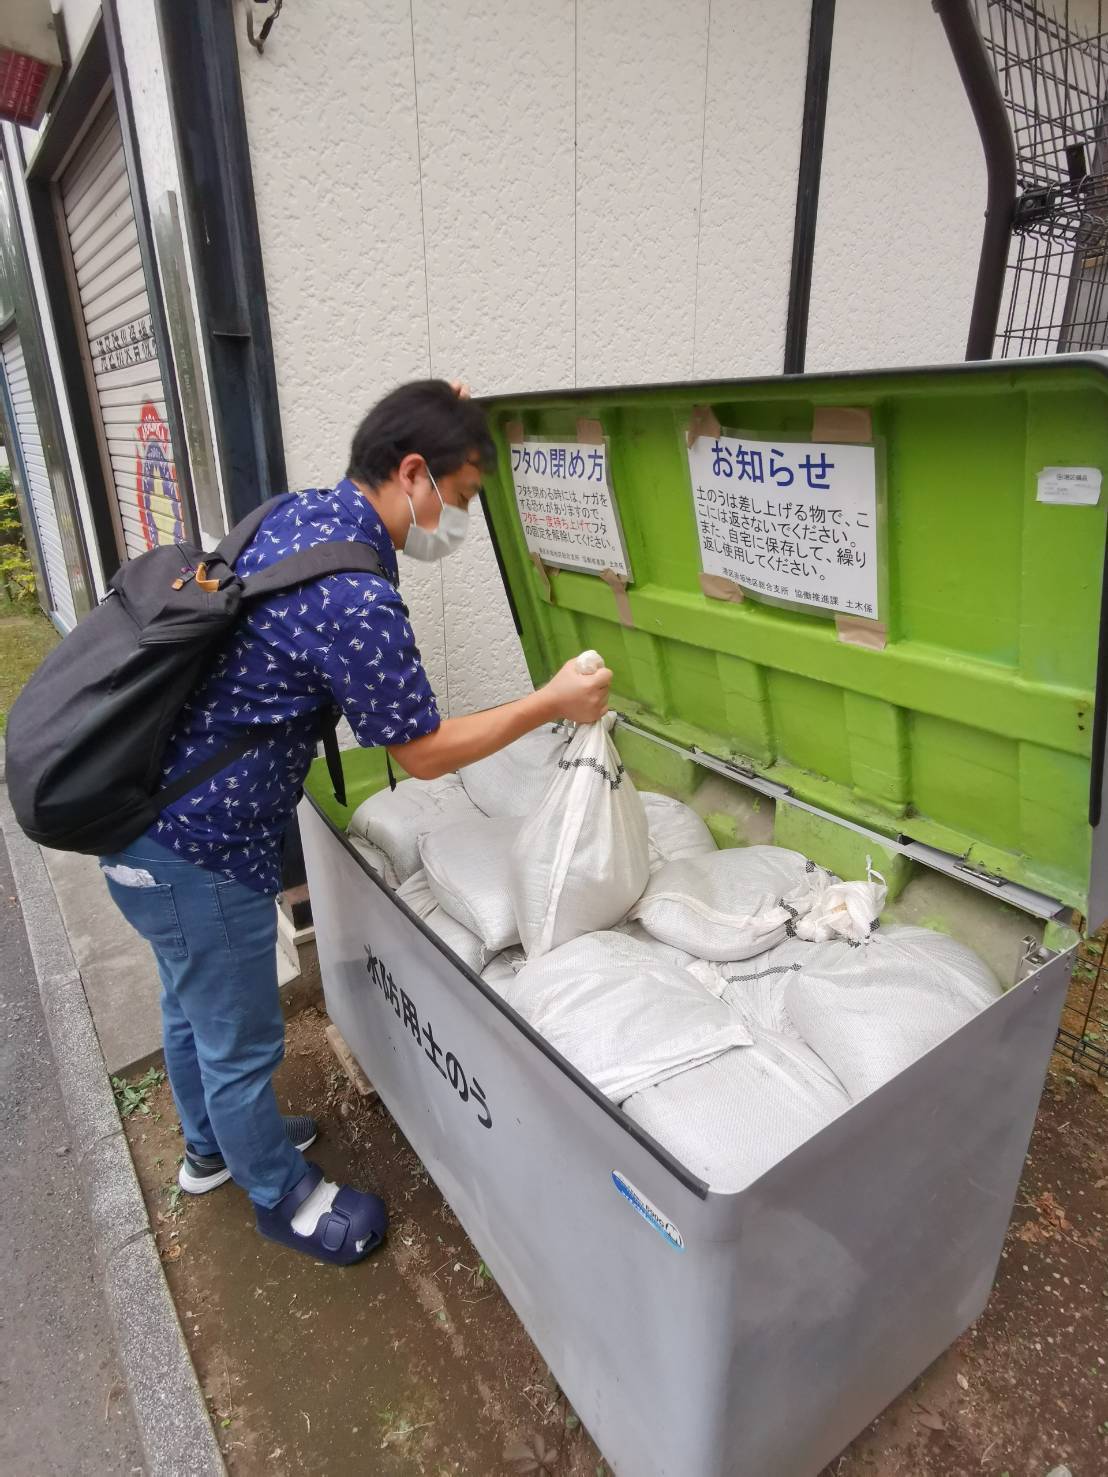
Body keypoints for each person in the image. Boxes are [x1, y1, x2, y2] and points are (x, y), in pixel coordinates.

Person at [99, 379, 612, 1266]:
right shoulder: (354, 595)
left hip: (146, 815)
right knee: (239, 1038)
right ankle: (281, 1197)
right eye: (459, 496)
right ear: (412, 473)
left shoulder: (299, 514)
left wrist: (439, 406)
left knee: (192, 1003)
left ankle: (213, 1150)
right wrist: (550, 701)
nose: (456, 519)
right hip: (198, 846)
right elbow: (423, 752)